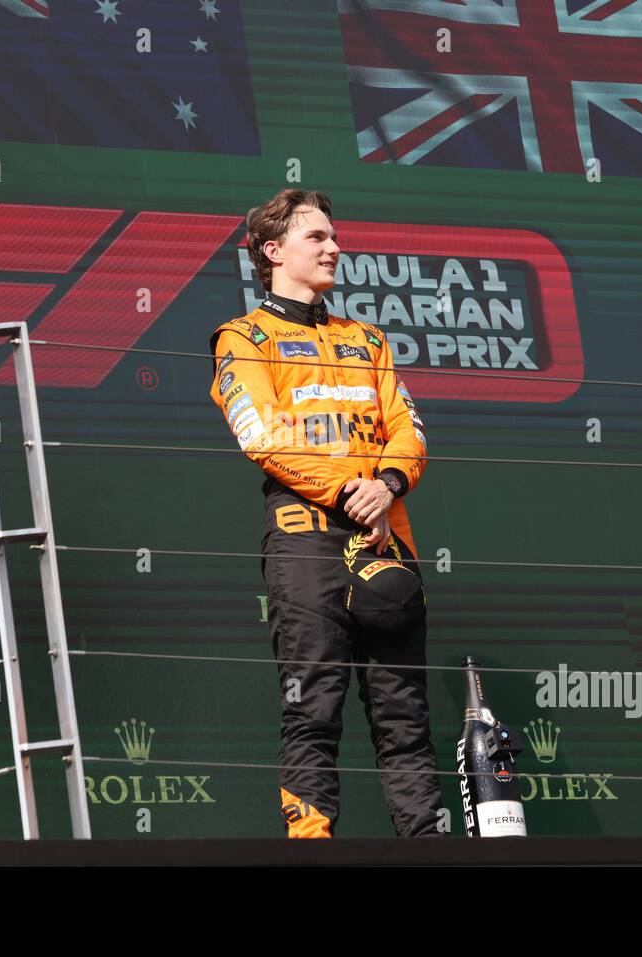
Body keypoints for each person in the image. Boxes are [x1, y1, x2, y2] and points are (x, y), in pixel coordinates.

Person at [208, 189, 443, 837]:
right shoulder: (244, 337)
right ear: (273, 251)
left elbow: (409, 430)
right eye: (318, 238)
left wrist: (388, 482)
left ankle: (428, 849)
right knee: (312, 713)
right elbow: (262, 436)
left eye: (334, 236)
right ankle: (312, 847)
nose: (336, 247)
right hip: (307, 543)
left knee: (406, 720)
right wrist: (349, 489)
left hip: (385, 542)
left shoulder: (366, 339)